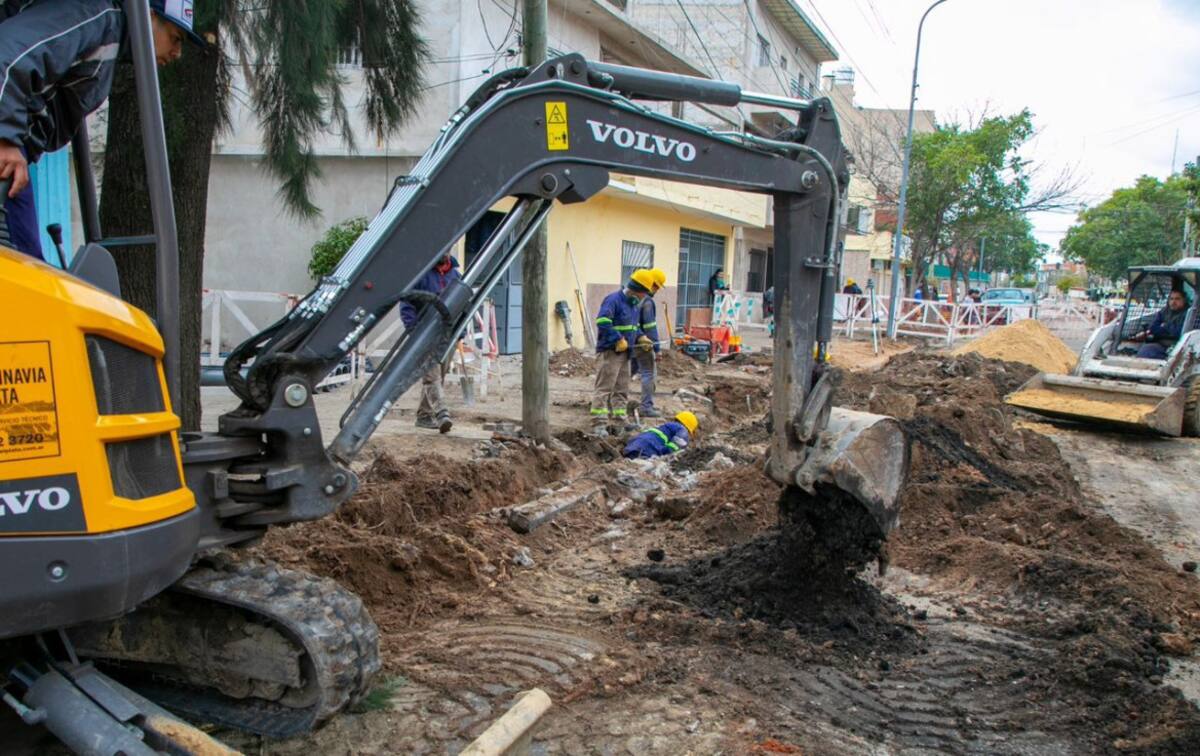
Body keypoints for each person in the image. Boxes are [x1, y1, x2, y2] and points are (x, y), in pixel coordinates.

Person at [0, 0, 202, 261]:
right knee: (23, 269)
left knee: (25, 266)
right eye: (175, 38)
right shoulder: (93, 16)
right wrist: (5, 138)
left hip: (16, 148)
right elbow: (8, 55)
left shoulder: (107, 36)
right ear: (149, 15)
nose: (178, 52)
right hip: (8, 149)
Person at [399, 253, 461, 432]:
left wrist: (460, 332)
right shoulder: (422, 275)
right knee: (431, 375)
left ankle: (424, 415)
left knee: (439, 375)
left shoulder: (455, 276)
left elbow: (462, 304)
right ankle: (442, 413)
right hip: (425, 333)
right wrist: (413, 329)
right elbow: (407, 302)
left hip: (447, 334)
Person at [591, 275, 648, 435]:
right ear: (635, 291)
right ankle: (598, 423)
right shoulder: (613, 300)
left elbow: (633, 327)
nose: (644, 298)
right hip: (610, 352)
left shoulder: (633, 305)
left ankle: (619, 421)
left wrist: (641, 336)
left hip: (626, 353)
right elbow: (603, 321)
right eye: (643, 294)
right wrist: (617, 338)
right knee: (604, 388)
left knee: (622, 388)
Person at [630, 268, 666, 417]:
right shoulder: (647, 302)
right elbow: (650, 327)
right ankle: (646, 407)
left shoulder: (631, 296)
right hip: (643, 343)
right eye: (656, 286)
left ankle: (612, 402)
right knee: (648, 373)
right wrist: (657, 349)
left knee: (627, 372)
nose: (656, 290)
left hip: (629, 340)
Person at [1136, 289, 1191, 359]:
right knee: (1145, 351)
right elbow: (1153, 328)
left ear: (1184, 300)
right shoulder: (1164, 311)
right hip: (1161, 344)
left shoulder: (1189, 313)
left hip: (1180, 346)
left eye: (1177, 299)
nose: (1173, 302)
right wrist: (1169, 329)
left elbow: (1180, 332)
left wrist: (1165, 326)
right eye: (1171, 299)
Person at [623, 411, 698, 459]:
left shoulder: (664, 427)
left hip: (631, 448)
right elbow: (674, 448)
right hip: (647, 451)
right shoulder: (682, 429)